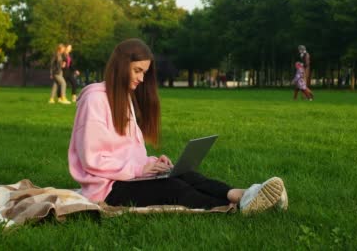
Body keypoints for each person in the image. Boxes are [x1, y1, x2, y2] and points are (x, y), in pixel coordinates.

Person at [68, 38, 287, 214]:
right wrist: (139, 169)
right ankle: (242, 205)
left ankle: (246, 194)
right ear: (120, 66)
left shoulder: (125, 98)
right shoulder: (94, 99)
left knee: (186, 176)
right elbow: (92, 159)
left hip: (126, 177)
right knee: (173, 188)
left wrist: (151, 163)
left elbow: (124, 152)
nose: (142, 79)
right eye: (137, 71)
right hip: (107, 189)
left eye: (144, 72)